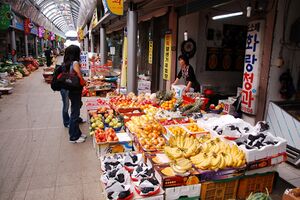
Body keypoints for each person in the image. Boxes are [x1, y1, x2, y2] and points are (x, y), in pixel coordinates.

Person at [63, 45, 86, 143]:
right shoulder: (75, 63)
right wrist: (84, 83)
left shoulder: (65, 63)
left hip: (69, 89)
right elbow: (80, 77)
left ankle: (78, 133)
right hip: (75, 90)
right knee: (75, 113)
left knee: (74, 110)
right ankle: (73, 137)